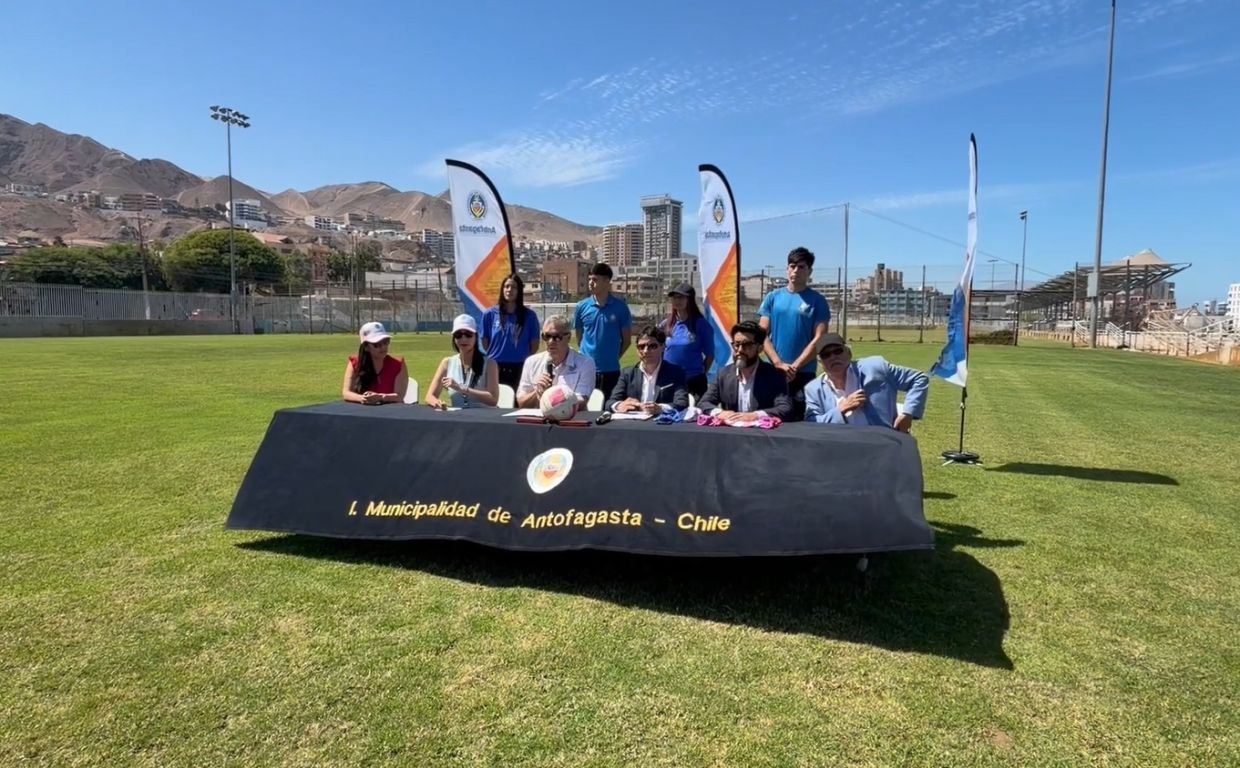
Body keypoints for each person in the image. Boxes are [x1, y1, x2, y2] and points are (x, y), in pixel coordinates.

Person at [758, 246, 831, 417]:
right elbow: (761, 334)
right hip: (774, 371)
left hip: (803, 373)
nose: (796, 270)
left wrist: (795, 367)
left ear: (809, 271)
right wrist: (778, 363)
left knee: (799, 420)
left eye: (801, 267)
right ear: (787, 269)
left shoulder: (818, 301)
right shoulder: (773, 297)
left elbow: (820, 338)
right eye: (792, 266)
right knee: (769, 418)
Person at [803, 333, 929, 430]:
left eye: (838, 351)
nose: (833, 357)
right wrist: (841, 409)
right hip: (840, 447)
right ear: (820, 362)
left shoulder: (876, 368)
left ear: (849, 352)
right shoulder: (813, 389)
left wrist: (908, 414)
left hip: (882, 443)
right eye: (826, 355)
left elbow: (918, 379)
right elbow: (812, 423)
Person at [698, 320, 794, 423]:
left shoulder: (774, 375)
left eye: (747, 345)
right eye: (736, 344)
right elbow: (703, 403)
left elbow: (785, 408)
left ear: (760, 348)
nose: (740, 350)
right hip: (731, 430)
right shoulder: (723, 374)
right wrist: (720, 413)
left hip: (762, 431)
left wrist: (756, 415)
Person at [573, 262, 632, 396]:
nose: (590, 283)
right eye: (589, 279)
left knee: (610, 405)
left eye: (595, 279)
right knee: (585, 405)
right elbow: (579, 337)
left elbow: (627, 341)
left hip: (611, 371)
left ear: (606, 281)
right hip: (586, 370)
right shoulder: (581, 306)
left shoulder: (620, 307)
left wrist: (613, 357)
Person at [605, 325, 689, 414]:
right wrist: (619, 405)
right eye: (641, 346)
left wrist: (661, 408)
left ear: (663, 347)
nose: (646, 351)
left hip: (662, 421)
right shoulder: (627, 373)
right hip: (633, 421)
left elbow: (682, 403)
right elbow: (610, 402)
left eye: (652, 346)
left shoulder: (676, 372)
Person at [517, 315, 596, 408]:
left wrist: (552, 399)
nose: (551, 341)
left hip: (571, 417)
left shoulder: (585, 364)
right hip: (537, 416)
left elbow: (581, 401)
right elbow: (521, 403)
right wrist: (537, 391)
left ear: (568, 337)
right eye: (546, 336)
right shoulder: (531, 362)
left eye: (557, 337)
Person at [425, 315, 500, 409]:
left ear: (476, 337)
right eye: (458, 335)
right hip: (458, 416)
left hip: (485, 416)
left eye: (468, 334)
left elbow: (493, 400)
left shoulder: (490, 363)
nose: (463, 339)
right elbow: (430, 396)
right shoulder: (447, 363)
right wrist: (437, 403)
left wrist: (462, 388)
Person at [481, 273, 541, 389]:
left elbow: (534, 345)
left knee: (518, 399)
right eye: (506, 286)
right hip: (495, 367)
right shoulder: (489, 314)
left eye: (514, 287)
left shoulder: (529, 316)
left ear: (519, 291)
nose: (509, 290)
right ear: (502, 289)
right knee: (495, 399)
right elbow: (485, 342)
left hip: (520, 368)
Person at [660, 283, 714, 399]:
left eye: (681, 297)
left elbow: (710, 355)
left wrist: (700, 373)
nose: (677, 301)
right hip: (669, 380)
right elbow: (658, 348)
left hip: (694, 382)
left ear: (690, 300)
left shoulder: (701, 324)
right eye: (674, 297)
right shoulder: (666, 324)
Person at [341, 321, 408, 405]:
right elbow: (346, 393)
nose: (383, 347)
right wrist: (363, 398)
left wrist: (380, 397)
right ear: (366, 347)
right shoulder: (355, 363)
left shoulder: (398, 364)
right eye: (377, 344)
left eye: (386, 342)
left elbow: (400, 396)